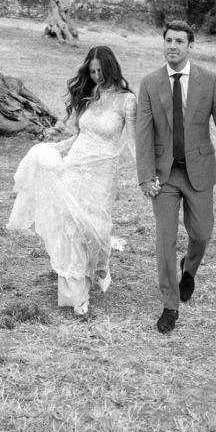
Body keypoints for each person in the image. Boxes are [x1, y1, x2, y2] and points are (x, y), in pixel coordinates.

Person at [8, 46, 136, 317]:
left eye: (101, 70)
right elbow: (80, 136)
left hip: (102, 172)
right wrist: (55, 149)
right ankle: (76, 294)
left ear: (111, 69)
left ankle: (98, 265)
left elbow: (134, 142)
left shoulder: (127, 101)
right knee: (70, 225)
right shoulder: (89, 97)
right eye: (92, 71)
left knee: (95, 228)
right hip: (76, 166)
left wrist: (147, 174)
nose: (97, 76)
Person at [135, 20, 216, 334]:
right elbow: (142, 135)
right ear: (163, 43)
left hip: (200, 171)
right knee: (165, 241)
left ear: (190, 46)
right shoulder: (150, 83)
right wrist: (145, 176)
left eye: (179, 41)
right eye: (168, 40)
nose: (172, 46)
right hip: (164, 176)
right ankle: (170, 305)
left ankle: (189, 269)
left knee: (202, 233)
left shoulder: (210, 81)